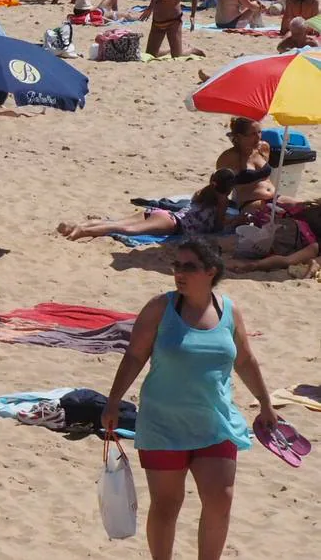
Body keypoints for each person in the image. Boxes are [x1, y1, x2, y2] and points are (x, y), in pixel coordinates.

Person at [101, 239, 276, 560]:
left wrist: (265, 403)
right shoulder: (160, 308)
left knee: (220, 500)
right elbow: (134, 356)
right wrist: (113, 401)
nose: (179, 273)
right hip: (163, 423)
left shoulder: (229, 311)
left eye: (189, 267)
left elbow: (245, 361)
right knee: (167, 504)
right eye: (176, 266)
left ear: (211, 271)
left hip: (215, 422)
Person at [57, 170, 233, 241]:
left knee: (117, 222)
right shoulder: (220, 202)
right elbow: (216, 228)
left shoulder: (202, 193)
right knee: (124, 229)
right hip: (173, 224)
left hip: (164, 214)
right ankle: (82, 231)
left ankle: (78, 225)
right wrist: (229, 214)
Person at [215, 117, 289, 215]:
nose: (258, 137)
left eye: (259, 132)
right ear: (239, 136)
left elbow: (264, 178)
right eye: (253, 134)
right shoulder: (228, 158)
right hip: (249, 203)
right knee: (280, 217)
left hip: (275, 198)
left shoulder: (263, 148)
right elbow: (220, 189)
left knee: (306, 208)